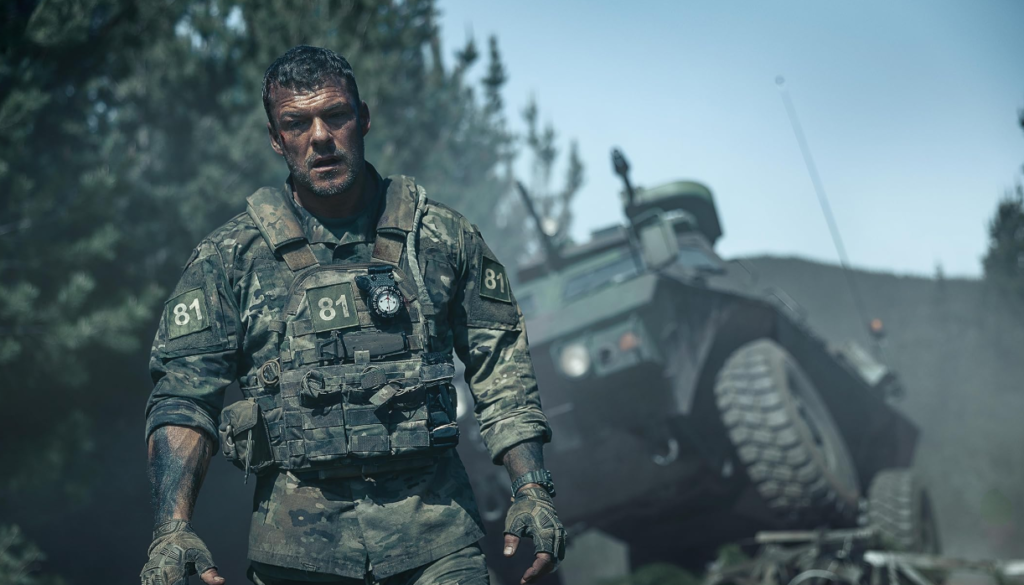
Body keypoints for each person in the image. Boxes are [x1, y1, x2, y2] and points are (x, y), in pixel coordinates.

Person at [140, 45, 565, 585]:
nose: (320, 136)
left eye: (335, 115)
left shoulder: (440, 238)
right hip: (299, 556)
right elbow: (183, 396)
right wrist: (171, 529)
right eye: (296, 123)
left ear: (362, 118)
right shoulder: (231, 259)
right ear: (276, 138)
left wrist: (532, 489)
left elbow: (501, 366)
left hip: (436, 541)